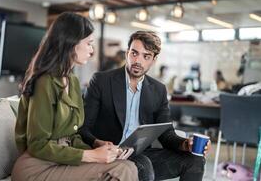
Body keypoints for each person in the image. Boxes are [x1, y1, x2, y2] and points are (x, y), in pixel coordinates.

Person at [11, 12, 138, 181]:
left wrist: (96, 145)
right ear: (71, 43)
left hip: (62, 162)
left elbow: (70, 136)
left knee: (126, 166)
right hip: (37, 167)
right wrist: (92, 156)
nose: (92, 50)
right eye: (89, 44)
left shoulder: (73, 81)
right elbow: (37, 145)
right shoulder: (45, 82)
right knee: (122, 170)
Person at [79, 31, 211, 181]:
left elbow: (166, 133)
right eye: (134, 53)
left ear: (154, 60)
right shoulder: (102, 81)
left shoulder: (158, 90)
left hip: (141, 154)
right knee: (143, 164)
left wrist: (185, 144)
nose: (138, 61)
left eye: (146, 56)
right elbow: (83, 127)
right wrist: (97, 143)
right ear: (127, 53)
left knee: (195, 160)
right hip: (109, 154)